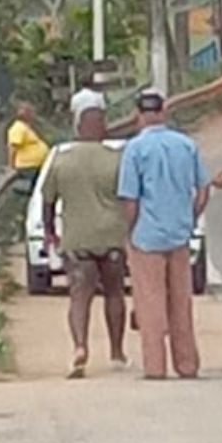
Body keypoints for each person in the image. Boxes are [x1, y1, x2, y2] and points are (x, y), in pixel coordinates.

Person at [117, 88, 210, 380]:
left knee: (150, 303)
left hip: (147, 235)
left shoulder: (135, 149)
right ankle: (186, 364)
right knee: (181, 302)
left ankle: (155, 366)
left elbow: (130, 198)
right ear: (163, 112)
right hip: (179, 234)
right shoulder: (186, 144)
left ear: (139, 116)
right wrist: (191, 216)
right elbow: (204, 188)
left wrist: (128, 230)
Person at [39, 106, 127, 378]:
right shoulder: (117, 159)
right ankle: (116, 351)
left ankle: (80, 346)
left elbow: (48, 201)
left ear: (78, 129)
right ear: (104, 129)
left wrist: (50, 231)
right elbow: (129, 196)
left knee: (79, 295)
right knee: (114, 292)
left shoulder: (61, 161)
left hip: (77, 239)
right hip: (112, 236)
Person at [6, 102, 50, 194]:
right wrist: (11, 166)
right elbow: (12, 147)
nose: (33, 115)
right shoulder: (18, 128)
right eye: (31, 112)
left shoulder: (26, 127)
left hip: (36, 165)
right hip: (28, 166)